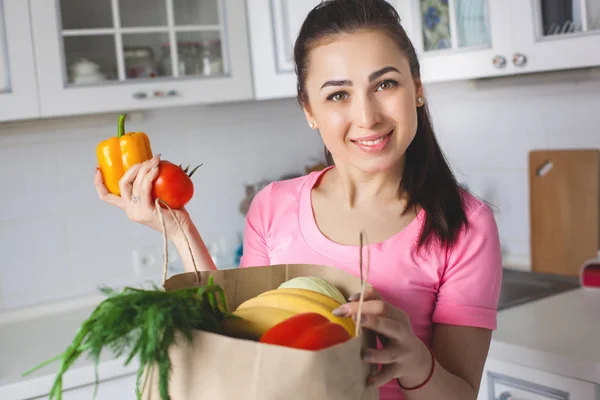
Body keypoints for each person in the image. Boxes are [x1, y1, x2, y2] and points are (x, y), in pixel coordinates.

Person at [94, 0, 502, 398]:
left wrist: (415, 360)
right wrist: (177, 229)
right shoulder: (273, 207)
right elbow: (242, 332)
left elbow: (461, 393)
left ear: (416, 89)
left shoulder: (466, 225)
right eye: (338, 95)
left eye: (385, 84)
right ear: (309, 110)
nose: (367, 116)